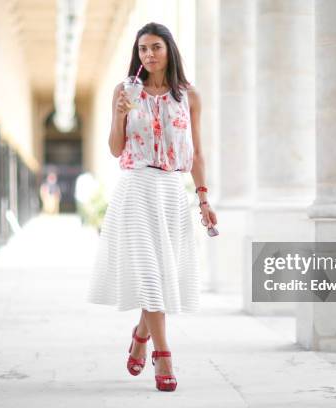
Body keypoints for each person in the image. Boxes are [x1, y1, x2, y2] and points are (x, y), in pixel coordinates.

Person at [87, 22, 217, 392]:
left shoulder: (189, 97)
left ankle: (141, 337)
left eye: (155, 47)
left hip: (172, 191)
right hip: (136, 188)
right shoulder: (126, 91)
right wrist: (118, 113)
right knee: (149, 272)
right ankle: (164, 354)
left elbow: (198, 154)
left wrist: (203, 199)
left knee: (164, 274)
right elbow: (115, 149)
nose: (149, 54)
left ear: (169, 50)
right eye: (143, 49)